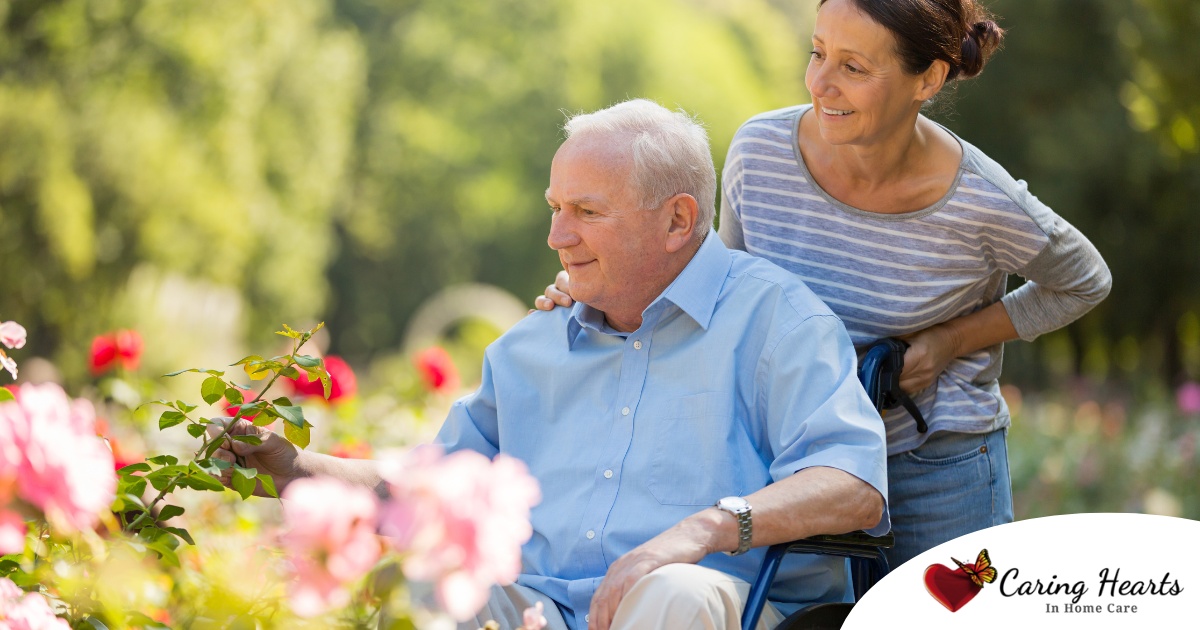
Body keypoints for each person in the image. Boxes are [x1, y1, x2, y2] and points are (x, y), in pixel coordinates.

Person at [218, 99, 889, 630]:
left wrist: (701, 530)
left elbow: (853, 483)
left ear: (678, 221)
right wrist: (297, 467)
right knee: (422, 587)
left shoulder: (776, 321)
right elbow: (436, 484)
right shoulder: (529, 346)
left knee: (671, 593)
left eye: (585, 212)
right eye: (555, 209)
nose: (556, 236)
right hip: (541, 610)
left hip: (716, 607)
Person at [537, 0, 1111, 569]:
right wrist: (596, 285)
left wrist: (950, 342)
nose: (820, 83)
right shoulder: (760, 153)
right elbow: (719, 289)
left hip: (933, 460)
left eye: (853, 68)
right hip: (791, 464)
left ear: (929, 78)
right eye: (817, 54)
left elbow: (1084, 282)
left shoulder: (981, 200)